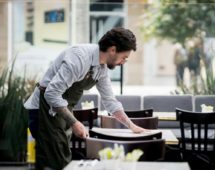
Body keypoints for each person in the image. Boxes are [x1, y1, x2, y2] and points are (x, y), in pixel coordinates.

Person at [24, 27, 147, 170]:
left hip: (63, 111)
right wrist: (75, 123)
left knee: (60, 159)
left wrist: (131, 126)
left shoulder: (101, 68)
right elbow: (51, 93)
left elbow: (110, 101)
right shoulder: (79, 58)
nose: (123, 62)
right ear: (113, 50)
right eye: (124, 57)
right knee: (56, 162)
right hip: (44, 111)